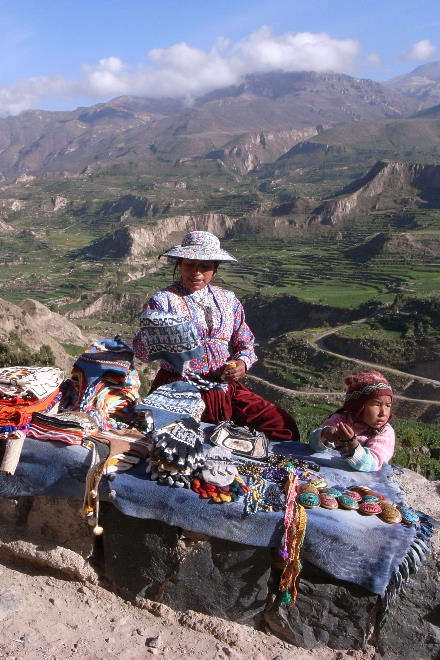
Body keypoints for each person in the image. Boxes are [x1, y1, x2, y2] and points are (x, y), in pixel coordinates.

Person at [133, 230, 300, 441]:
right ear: (180, 264)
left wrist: (242, 363)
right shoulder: (164, 301)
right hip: (177, 388)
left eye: (204, 266)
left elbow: (245, 341)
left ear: (215, 268)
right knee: (184, 443)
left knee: (280, 424)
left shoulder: (228, 300)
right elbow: (142, 351)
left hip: (224, 387)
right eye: (189, 265)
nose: (196, 272)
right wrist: (158, 334)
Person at [309, 370, 395, 471]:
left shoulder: (385, 432)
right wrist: (325, 435)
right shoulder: (341, 420)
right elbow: (314, 445)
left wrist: (352, 443)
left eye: (388, 405)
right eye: (376, 404)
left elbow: (372, 463)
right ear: (358, 406)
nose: (383, 412)